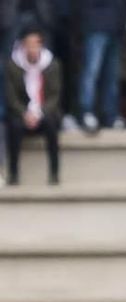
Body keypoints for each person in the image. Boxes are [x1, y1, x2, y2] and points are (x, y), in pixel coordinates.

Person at [5, 27, 61, 185]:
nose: (33, 49)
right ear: (23, 46)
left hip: (43, 112)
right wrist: (25, 113)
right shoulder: (13, 66)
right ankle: (13, 174)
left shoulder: (52, 65)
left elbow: (54, 96)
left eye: (36, 45)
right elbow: (11, 97)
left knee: (52, 123)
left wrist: (39, 113)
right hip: (23, 113)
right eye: (29, 45)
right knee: (14, 126)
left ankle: (54, 173)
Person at [78, 0, 125, 134]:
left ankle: (111, 115)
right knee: (91, 72)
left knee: (112, 76)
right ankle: (87, 112)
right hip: (96, 25)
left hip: (116, 26)